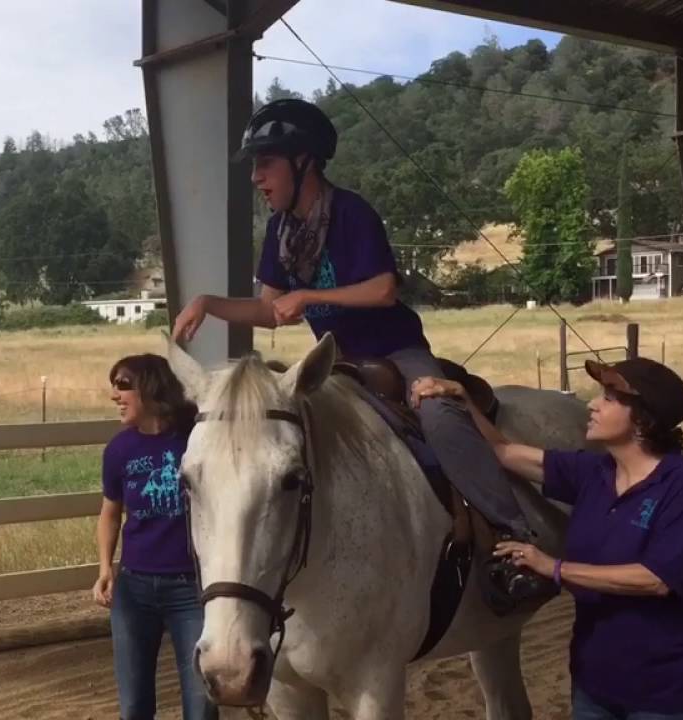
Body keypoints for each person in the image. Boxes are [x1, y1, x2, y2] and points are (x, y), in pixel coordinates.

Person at [170, 97, 549, 608]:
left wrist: (308, 297)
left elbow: (382, 291)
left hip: (396, 352)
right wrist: (209, 303)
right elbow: (268, 310)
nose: (257, 178)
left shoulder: (350, 213)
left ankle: (513, 539)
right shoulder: (281, 233)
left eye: (266, 164)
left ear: (302, 161)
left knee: (438, 414)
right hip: (342, 363)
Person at [412, 357, 683, 719]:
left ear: (642, 418)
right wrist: (463, 400)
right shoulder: (593, 472)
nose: (592, 403)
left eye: (608, 398)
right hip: (595, 686)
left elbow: (656, 580)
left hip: (669, 694)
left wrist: (554, 567)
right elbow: (503, 452)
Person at [93, 354, 217, 720]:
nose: (115, 394)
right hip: (134, 590)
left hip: (191, 590)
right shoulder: (119, 450)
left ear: (151, 387)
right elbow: (110, 513)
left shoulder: (195, 439)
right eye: (113, 385)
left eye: (123, 384)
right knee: (133, 707)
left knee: (201, 705)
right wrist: (105, 568)